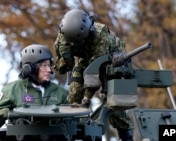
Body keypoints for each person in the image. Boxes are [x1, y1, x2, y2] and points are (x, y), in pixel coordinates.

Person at [53, 9, 133, 141]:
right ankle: (74, 131)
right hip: (84, 58)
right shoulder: (65, 34)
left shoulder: (102, 38)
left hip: (110, 61)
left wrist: (86, 99)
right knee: (74, 93)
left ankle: (126, 136)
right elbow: (63, 61)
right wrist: (66, 61)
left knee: (115, 103)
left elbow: (93, 72)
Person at [0, 44, 69, 130]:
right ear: (30, 68)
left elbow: (76, 120)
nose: (49, 70)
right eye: (44, 65)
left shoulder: (60, 93)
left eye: (49, 65)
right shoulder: (12, 90)